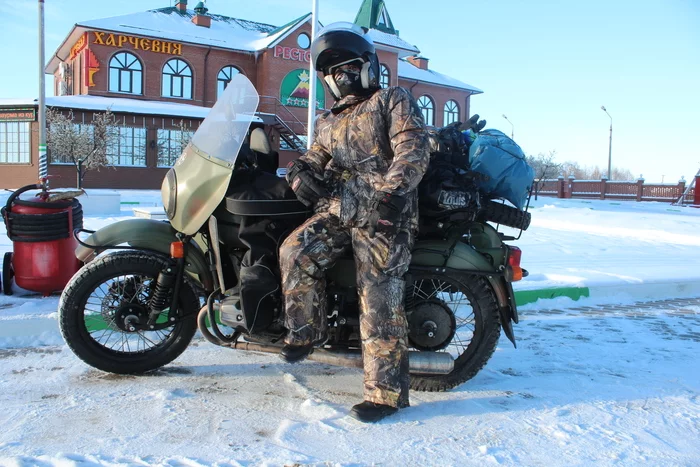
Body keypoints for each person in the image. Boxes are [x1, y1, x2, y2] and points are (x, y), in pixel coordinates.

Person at [278, 22, 430, 423]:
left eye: (349, 68)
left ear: (367, 67)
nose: (342, 77)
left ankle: (385, 395)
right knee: (294, 251)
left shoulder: (391, 99)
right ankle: (307, 332)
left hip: (384, 213)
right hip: (339, 208)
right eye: (334, 72)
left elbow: (412, 148)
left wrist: (393, 196)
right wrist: (299, 174)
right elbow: (314, 159)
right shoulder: (327, 122)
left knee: (378, 295)